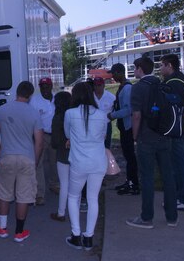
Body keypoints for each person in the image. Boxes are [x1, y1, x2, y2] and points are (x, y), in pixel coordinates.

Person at [126, 56, 178, 229]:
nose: (134, 71)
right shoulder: (162, 84)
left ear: (140, 69)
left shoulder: (138, 88)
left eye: (134, 68)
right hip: (165, 136)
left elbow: (136, 115)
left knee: (147, 178)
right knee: (168, 177)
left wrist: (135, 137)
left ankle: (147, 217)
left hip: (146, 139)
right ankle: (172, 217)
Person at [0, 81, 44, 243]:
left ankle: (3, 228)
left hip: (7, 156)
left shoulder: (2, 110)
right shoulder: (34, 113)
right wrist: (34, 161)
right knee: (23, 195)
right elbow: (39, 142)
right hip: (26, 158)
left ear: (17, 92)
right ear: (30, 95)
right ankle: (19, 232)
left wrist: (1, 154)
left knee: (4, 193)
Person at [64, 82, 108, 251]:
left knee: (73, 197)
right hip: (98, 162)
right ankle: (88, 237)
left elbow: (68, 134)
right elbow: (103, 136)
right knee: (92, 199)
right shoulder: (102, 114)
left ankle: (76, 235)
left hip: (79, 162)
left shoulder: (70, 113)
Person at [160, 54, 184, 211]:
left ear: (169, 66)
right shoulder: (181, 80)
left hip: (177, 130)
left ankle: (183, 199)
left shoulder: (173, 83)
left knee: (179, 165)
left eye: (162, 65)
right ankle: (178, 197)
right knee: (179, 164)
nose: (160, 69)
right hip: (183, 128)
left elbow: (170, 106)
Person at [107, 63, 139, 195]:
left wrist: (112, 115)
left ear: (120, 72)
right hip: (123, 127)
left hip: (128, 127)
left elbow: (128, 109)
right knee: (127, 155)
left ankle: (134, 184)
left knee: (130, 156)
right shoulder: (122, 87)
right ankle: (129, 181)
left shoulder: (127, 89)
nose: (112, 76)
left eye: (114, 73)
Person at [29, 77, 58, 205]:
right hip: (41, 135)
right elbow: (31, 120)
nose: (44, 89)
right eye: (42, 86)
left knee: (55, 162)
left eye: (47, 86)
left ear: (51, 86)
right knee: (38, 163)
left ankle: (54, 184)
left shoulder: (57, 98)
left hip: (56, 135)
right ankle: (39, 194)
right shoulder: (34, 101)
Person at [49, 91, 73, 222]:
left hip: (62, 154)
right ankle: (75, 209)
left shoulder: (57, 117)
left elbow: (55, 140)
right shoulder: (74, 115)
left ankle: (61, 212)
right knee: (75, 184)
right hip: (76, 154)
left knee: (64, 184)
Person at [92, 76, 115, 149]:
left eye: (99, 85)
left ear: (103, 85)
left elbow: (115, 111)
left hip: (106, 124)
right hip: (92, 125)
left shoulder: (111, 97)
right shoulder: (89, 97)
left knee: (106, 145)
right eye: (95, 85)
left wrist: (111, 117)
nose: (97, 87)